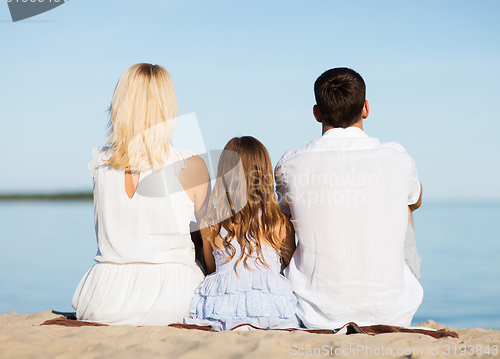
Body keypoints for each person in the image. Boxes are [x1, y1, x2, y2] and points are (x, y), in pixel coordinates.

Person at [275, 67, 423, 329]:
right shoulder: (397, 156)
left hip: (314, 313)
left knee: (286, 214)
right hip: (393, 311)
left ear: (317, 113)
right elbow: (416, 199)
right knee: (406, 206)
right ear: (365, 108)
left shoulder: (291, 163)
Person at [72, 63, 209, 326]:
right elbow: (211, 241)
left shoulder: (99, 162)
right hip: (174, 297)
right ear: (166, 107)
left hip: (104, 298)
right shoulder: (190, 164)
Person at [185, 136, 299, 330]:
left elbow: (212, 271)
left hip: (222, 309)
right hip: (271, 309)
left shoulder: (210, 223)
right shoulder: (279, 222)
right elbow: (291, 266)